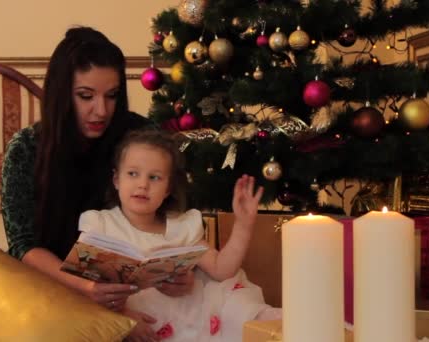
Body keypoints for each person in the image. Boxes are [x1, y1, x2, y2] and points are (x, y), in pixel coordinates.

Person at [0, 26, 193, 341]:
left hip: (122, 293)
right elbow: (23, 246)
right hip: (44, 278)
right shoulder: (26, 147)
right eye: (86, 96)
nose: (101, 110)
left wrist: (180, 277)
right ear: (62, 93)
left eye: (112, 95)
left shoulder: (139, 138)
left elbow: (172, 216)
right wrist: (85, 289)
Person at [78, 129, 282, 342]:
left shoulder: (181, 225)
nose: (143, 184)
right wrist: (122, 318)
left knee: (237, 308)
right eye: (133, 174)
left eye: (154, 177)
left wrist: (243, 224)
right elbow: (86, 289)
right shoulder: (101, 225)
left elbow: (223, 270)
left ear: (167, 189)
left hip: (197, 311)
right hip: (145, 323)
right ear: (116, 179)